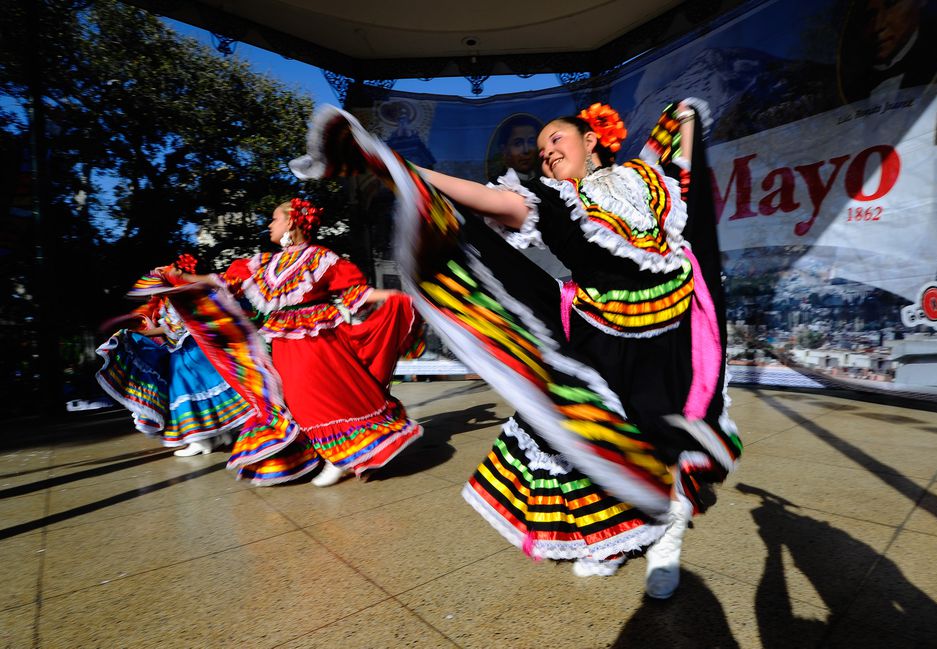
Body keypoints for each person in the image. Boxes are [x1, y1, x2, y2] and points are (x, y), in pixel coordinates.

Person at [291, 98, 741, 598]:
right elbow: (491, 201)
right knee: (594, 430)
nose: (547, 153)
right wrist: (400, 168)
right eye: (542, 148)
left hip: (674, 327)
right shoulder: (551, 199)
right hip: (601, 334)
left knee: (669, 431)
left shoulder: (646, 175)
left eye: (556, 140)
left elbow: (684, 150)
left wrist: (685, 113)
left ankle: (667, 538)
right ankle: (618, 536)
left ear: (591, 140)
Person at [171, 199, 424, 487]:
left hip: (317, 337)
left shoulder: (321, 258)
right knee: (294, 398)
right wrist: (186, 278)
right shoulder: (265, 262)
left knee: (318, 396)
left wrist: (392, 297)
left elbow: (356, 295)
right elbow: (224, 281)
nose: (269, 224)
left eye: (274, 219)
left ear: (291, 222)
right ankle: (325, 453)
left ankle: (338, 457)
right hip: (283, 339)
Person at [96, 254, 252, 456]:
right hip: (188, 349)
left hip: (191, 350)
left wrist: (141, 332)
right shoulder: (174, 298)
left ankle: (202, 440)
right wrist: (137, 333)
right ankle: (214, 436)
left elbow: (175, 327)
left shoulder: (185, 295)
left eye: (171, 271)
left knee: (184, 390)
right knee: (198, 390)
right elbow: (169, 327)